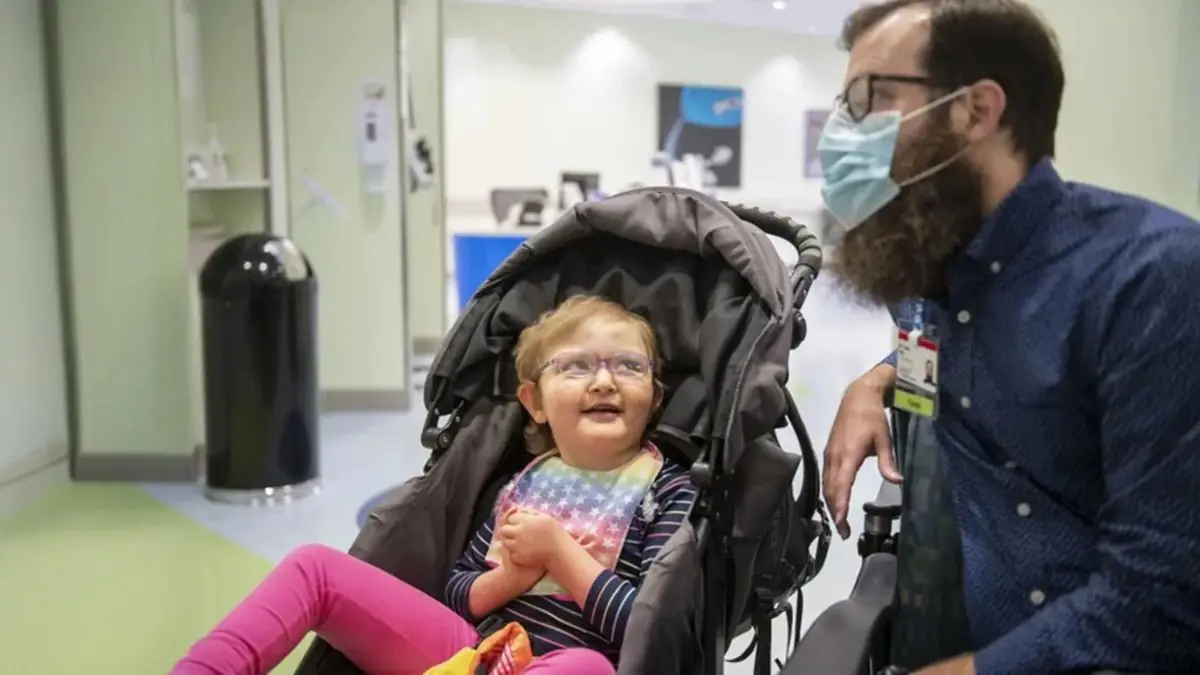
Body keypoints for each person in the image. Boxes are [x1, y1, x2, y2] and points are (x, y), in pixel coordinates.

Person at [816, 1, 1200, 674]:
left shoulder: (1152, 279)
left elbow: (1164, 594)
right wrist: (877, 378)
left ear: (976, 111)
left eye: (871, 98)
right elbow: (947, 351)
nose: (842, 134)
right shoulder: (928, 270)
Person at [171, 295, 697, 675]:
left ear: (654, 398)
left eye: (629, 367)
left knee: (586, 668)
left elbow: (647, 629)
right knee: (315, 567)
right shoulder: (523, 484)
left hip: (575, 661)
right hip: (473, 651)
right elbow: (460, 592)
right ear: (535, 402)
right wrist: (509, 579)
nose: (604, 381)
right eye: (577, 367)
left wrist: (560, 553)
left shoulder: (667, 491)